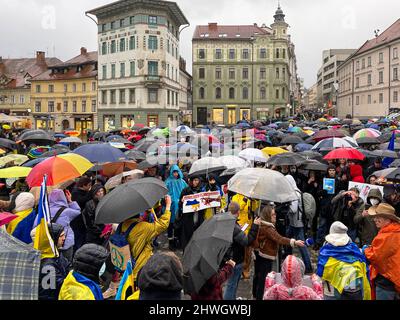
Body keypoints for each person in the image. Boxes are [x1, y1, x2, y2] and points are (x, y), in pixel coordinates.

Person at [103, 195, 172, 299]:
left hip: (126, 264)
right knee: (139, 292)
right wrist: (168, 206)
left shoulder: (123, 224)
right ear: (138, 215)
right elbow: (163, 224)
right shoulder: (143, 227)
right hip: (140, 266)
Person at [251, 203, 305, 300]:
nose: (275, 216)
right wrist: (294, 242)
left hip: (260, 254)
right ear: (267, 216)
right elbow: (279, 239)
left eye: (275, 214)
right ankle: (260, 297)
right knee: (263, 279)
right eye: (273, 214)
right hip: (265, 256)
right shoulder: (268, 228)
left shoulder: (262, 224)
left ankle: (255, 294)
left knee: (258, 276)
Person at [316, 222, 371, 300]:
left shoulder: (326, 251)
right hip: (354, 285)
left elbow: (321, 271)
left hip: (332, 287)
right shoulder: (355, 249)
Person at [224, 202, 260, 300]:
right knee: (231, 285)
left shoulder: (227, 222)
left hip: (229, 258)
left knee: (232, 284)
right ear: (238, 212)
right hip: (235, 259)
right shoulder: (234, 227)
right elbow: (246, 241)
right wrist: (255, 226)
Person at [364, 203, 400, 300]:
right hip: (394, 279)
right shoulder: (395, 231)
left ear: (388, 219)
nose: (374, 219)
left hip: (386, 282)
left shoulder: (388, 235)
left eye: (378, 217)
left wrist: (366, 250)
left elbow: (375, 256)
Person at [284, 175, 313, 274]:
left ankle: (308, 266)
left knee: (301, 244)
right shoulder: (295, 191)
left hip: (297, 223)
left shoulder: (295, 193)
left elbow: (293, 209)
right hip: (294, 222)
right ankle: (288, 259)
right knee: (288, 240)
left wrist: (286, 206)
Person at [231, 193, 260, 280]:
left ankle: (246, 269)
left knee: (248, 250)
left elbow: (254, 209)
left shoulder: (249, 197)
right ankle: (240, 269)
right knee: (241, 250)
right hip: (240, 226)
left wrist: (254, 200)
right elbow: (238, 209)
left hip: (249, 225)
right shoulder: (235, 197)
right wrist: (244, 200)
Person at [38, 223, 70, 300]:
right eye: (61, 236)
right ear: (53, 238)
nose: (64, 238)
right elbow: (58, 285)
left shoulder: (55, 253)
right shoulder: (47, 264)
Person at [48, 189, 81, 263]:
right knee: (66, 264)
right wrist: (70, 201)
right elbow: (78, 211)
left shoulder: (45, 211)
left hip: (50, 243)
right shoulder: (66, 211)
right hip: (65, 242)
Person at [315, 165, 341, 249]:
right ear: (328, 171)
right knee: (321, 226)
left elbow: (339, 194)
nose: (332, 172)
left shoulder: (338, 181)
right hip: (324, 207)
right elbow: (318, 192)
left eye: (333, 170)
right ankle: (318, 242)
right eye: (330, 170)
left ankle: (330, 243)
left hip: (333, 207)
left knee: (331, 226)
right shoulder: (323, 181)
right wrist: (323, 192)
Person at [177, 176, 205, 252]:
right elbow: (180, 205)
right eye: (194, 180)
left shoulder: (201, 191)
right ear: (191, 181)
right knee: (187, 240)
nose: (196, 182)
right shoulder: (185, 191)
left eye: (197, 180)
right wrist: (182, 201)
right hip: (188, 220)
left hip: (198, 218)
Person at [165, 164, 188, 250]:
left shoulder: (182, 182)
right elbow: (165, 192)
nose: (175, 174)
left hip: (180, 206)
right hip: (171, 206)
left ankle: (176, 240)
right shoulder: (168, 182)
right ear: (171, 172)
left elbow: (187, 190)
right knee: (171, 224)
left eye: (177, 172)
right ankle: (171, 242)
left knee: (178, 224)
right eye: (174, 172)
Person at [71, 177, 92, 253]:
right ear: (83, 185)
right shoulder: (75, 193)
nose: (90, 187)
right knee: (79, 239)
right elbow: (82, 201)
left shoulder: (83, 192)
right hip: (77, 221)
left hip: (83, 220)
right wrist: (90, 193)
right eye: (89, 185)